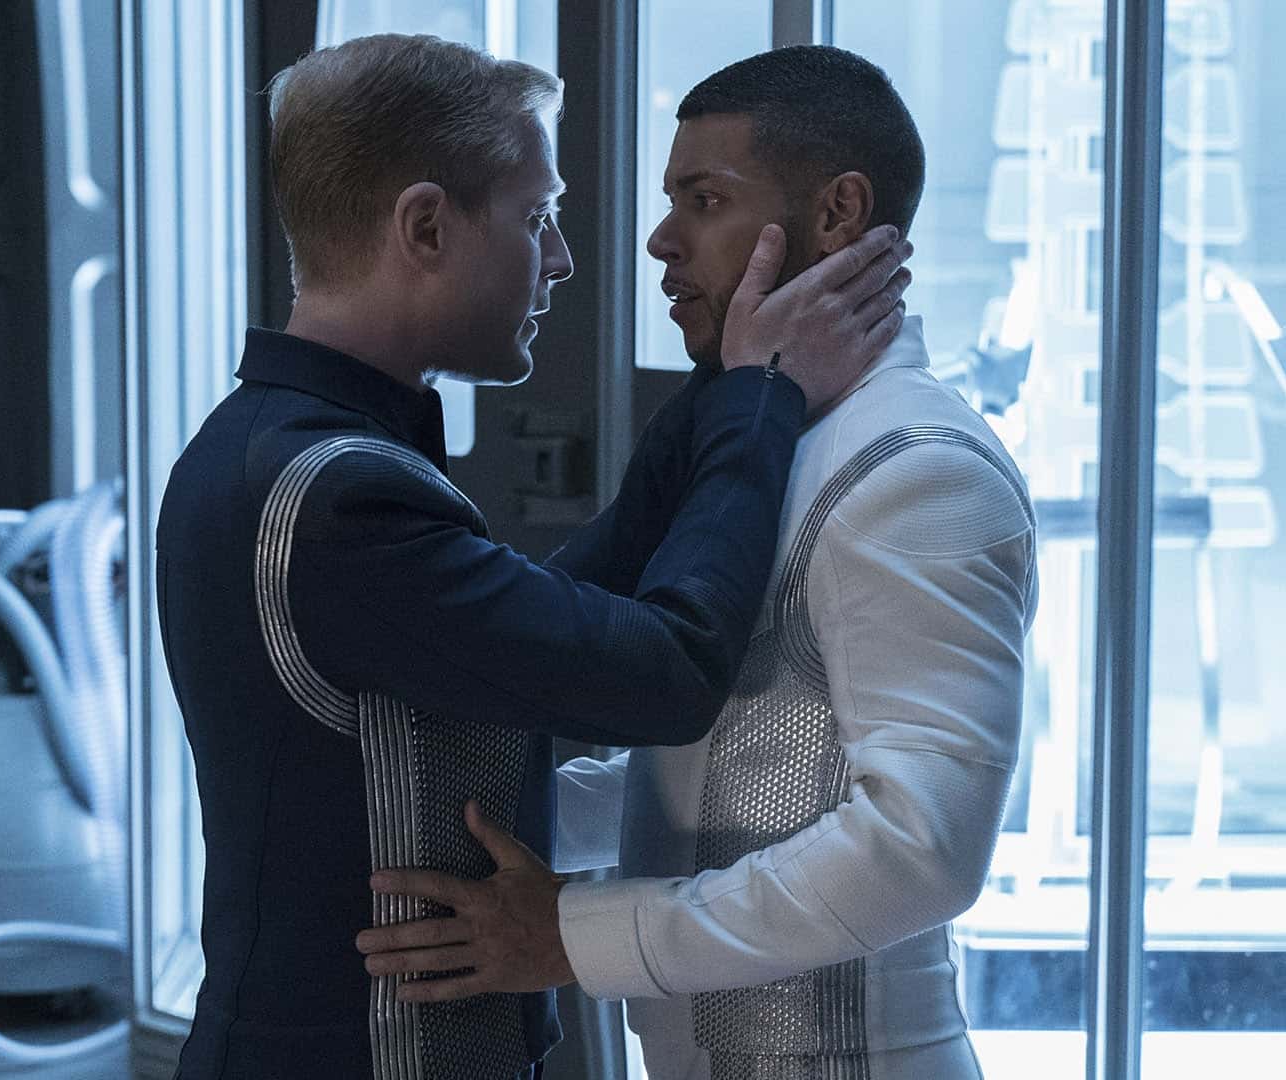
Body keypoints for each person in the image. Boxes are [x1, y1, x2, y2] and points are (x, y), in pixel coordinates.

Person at [154, 35, 911, 1080]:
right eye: (536, 216)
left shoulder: (281, 449)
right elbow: (667, 671)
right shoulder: (331, 501)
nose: (560, 258)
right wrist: (762, 394)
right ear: (425, 226)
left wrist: (735, 369)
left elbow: (558, 608)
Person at [357, 46, 1038, 1080]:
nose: (660, 240)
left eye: (704, 200)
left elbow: (921, 848)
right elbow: (746, 768)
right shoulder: (778, 442)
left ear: (839, 213)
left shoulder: (917, 468)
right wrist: (470, 821)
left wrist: (574, 935)